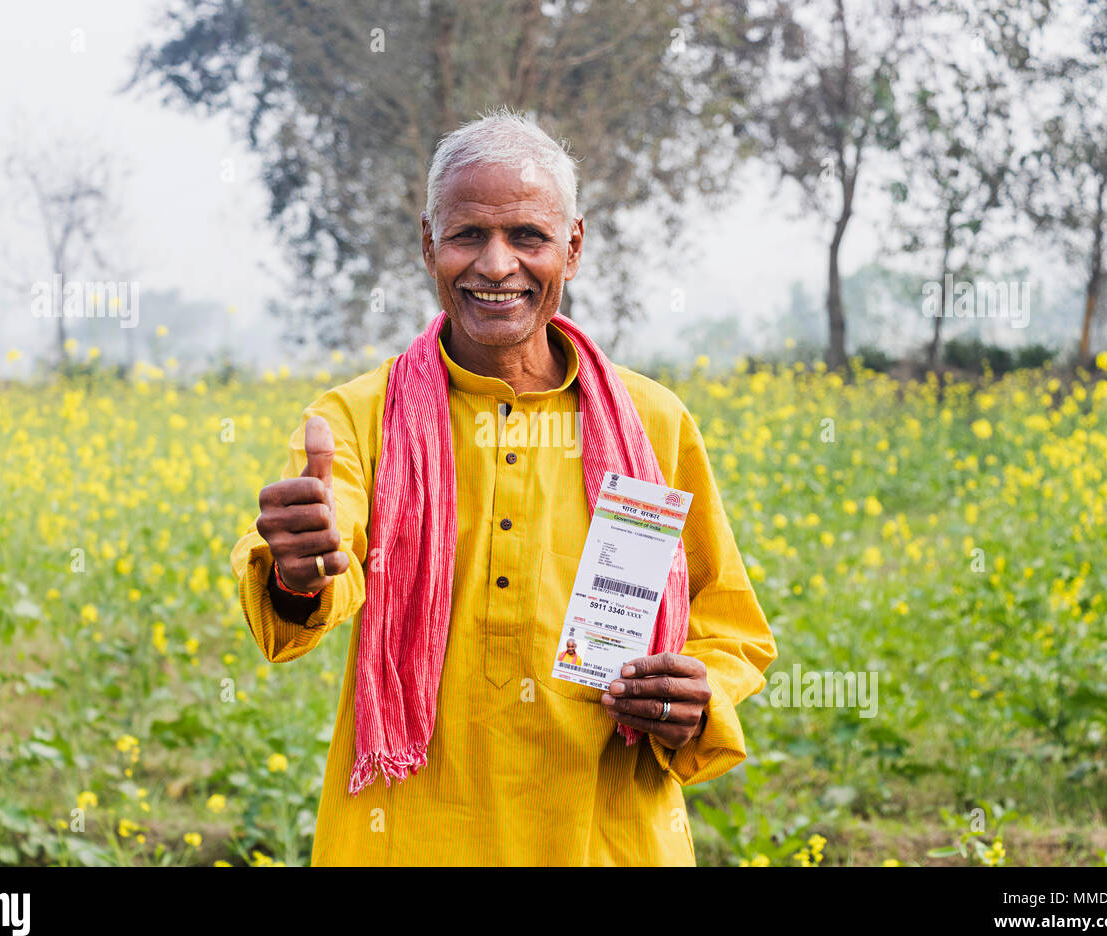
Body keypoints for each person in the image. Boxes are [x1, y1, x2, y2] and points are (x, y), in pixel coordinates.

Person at [230, 106, 776, 865]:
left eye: (528, 236)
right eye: (466, 235)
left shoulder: (654, 424)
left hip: (605, 834)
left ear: (573, 247)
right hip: (410, 836)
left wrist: (697, 694)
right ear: (428, 244)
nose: (495, 265)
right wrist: (299, 571)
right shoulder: (358, 418)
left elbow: (731, 627)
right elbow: (317, 580)